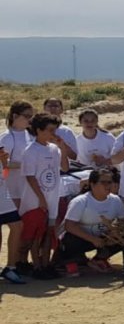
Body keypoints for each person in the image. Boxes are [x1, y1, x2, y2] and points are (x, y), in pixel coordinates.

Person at [21, 113, 69, 279]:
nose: (53, 134)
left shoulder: (54, 149)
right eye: (50, 130)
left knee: (49, 231)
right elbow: (30, 176)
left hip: (52, 195)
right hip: (35, 198)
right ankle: (36, 266)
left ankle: (46, 264)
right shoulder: (30, 150)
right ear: (39, 130)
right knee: (36, 233)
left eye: (54, 130)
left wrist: (62, 148)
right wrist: (41, 198)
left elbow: (64, 168)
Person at [58, 167, 124, 275]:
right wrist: (92, 239)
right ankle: (72, 261)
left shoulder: (116, 200)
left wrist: (114, 230)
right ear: (92, 184)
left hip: (102, 238)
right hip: (80, 239)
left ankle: (99, 259)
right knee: (70, 240)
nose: (107, 185)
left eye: (109, 182)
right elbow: (69, 226)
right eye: (103, 182)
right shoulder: (80, 201)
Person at [0, 102, 33, 282]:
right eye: (26, 116)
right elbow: (4, 164)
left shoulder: (29, 135)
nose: (29, 120)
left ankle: (15, 264)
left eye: (31, 116)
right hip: (7, 189)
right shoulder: (7, 138)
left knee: (19, 226)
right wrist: (27, 166)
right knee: (16, 225)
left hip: (24, 188)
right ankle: (11, 266)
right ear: (14, 116)